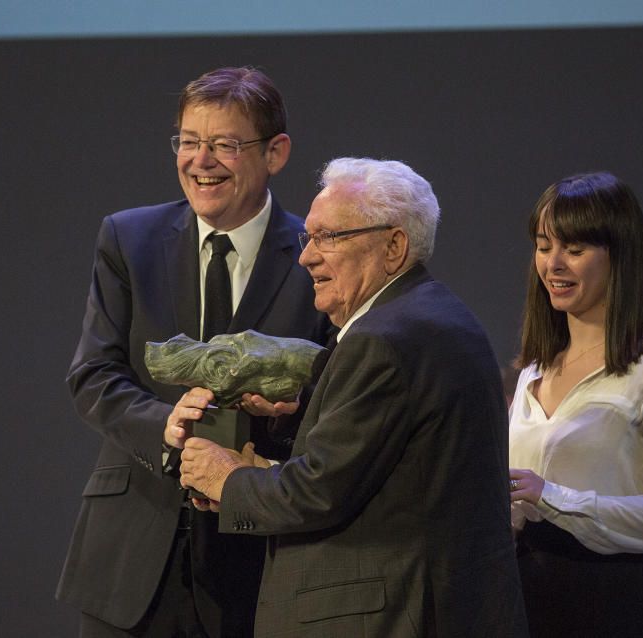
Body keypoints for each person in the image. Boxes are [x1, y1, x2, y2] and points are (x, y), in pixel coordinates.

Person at [179, 157, 528, 637]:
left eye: (328, 237)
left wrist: (227, 479)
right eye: (309, 237)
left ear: (393, 245)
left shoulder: (384, 337)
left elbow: (319, 491)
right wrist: (295, 422)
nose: (306, 256)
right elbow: (387, 471)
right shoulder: (430, 316)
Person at [56, 66, 330, 638]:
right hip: (131, 559)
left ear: (275, 153)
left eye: (225, 145)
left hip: (259, 564)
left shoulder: (318, 254)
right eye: (188, 141)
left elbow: (341, 394)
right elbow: (93, 374)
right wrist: (164, 423)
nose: (200, 161)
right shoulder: (128, 239)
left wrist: (294, 406)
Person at [507, 171, 643, 637]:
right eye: (544, 246)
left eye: (574, 250)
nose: (553, 265)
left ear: (618, 255)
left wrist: (554, 498)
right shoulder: (534, 370)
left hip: (608, 602)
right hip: (525, 599)